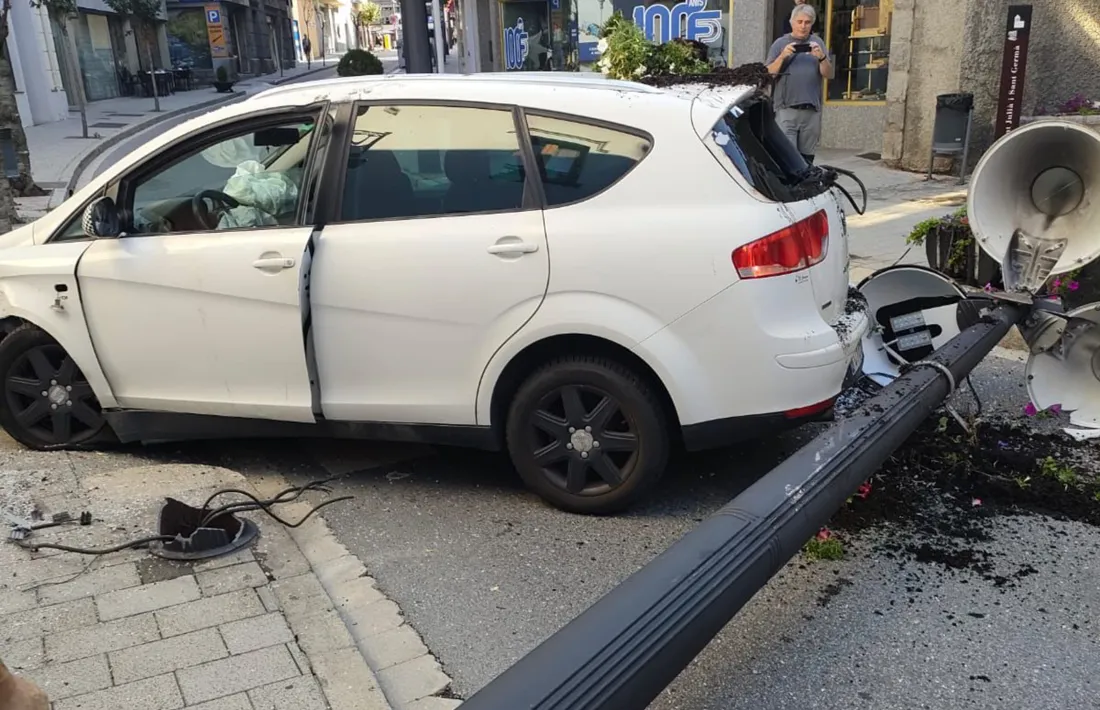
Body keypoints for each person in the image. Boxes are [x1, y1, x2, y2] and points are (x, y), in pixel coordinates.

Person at [766, 4, 832, 165]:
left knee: (807, 159)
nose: (803, 26)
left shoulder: (818, 42)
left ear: (812, 24)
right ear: (792, 23)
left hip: (811, 110)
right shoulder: (780, 43)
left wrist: (822, 58)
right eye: (800, 21)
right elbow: (768, 74)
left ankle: (806, 188)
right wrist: (782, 57)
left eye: (807, 22)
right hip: (786, 109)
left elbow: (829, 74)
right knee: (789, 158)